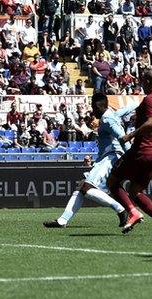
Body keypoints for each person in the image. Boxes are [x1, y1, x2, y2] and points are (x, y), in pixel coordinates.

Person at [44, 92, 137, 228]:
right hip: (107, 157)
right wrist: (140, 102)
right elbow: (128, 108)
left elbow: (122, 137)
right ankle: (63, 220)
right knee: (81, 186)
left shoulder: (107, 120)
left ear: (98, 107)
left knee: (87, 187)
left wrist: (130, 155)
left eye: (94, 108)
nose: (93, 111)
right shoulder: (113, 114)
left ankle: (121, 210)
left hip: (111, 157)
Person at [107, 70, 152, 235]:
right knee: (135, 191)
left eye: (142, 81)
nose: (141, 84)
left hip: (141, 150)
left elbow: (151, 123)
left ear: (148, 81)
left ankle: (133, 212)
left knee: (112, 182)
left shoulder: (149, 99)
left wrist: (129, 136)